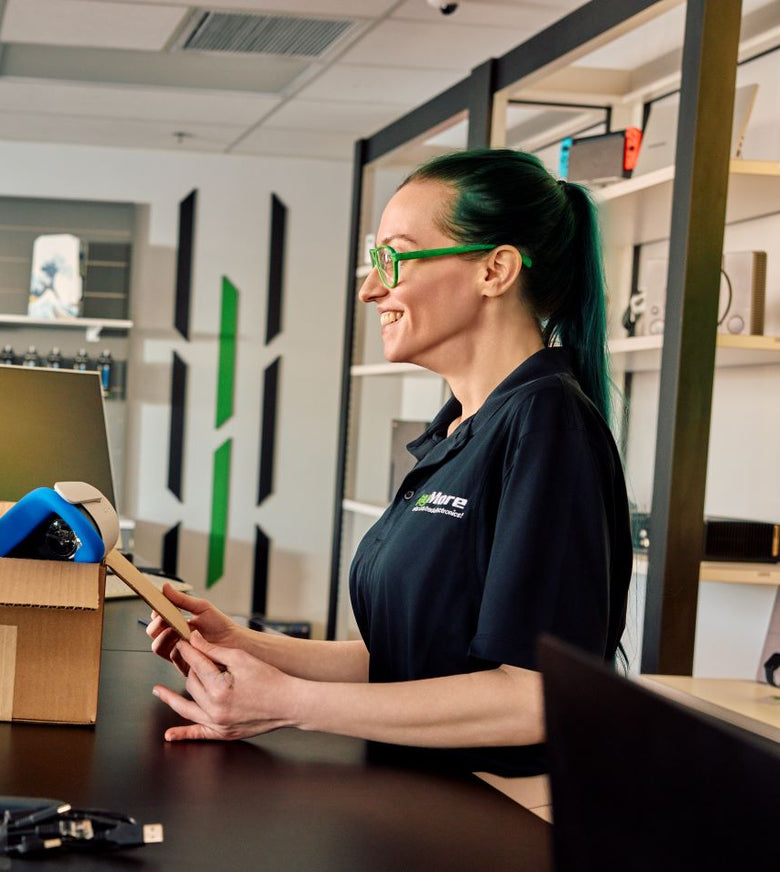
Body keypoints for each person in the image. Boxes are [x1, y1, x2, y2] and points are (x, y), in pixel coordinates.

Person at [147, 148, 632, 777]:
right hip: (414, 795)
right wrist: (248, 645)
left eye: (393, 259)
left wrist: (289, 703)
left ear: (495, 270)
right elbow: (411, 661)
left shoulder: (547, 424)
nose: (370, 289)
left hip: (494, 810)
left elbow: (535, 697)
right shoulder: (460, 431)